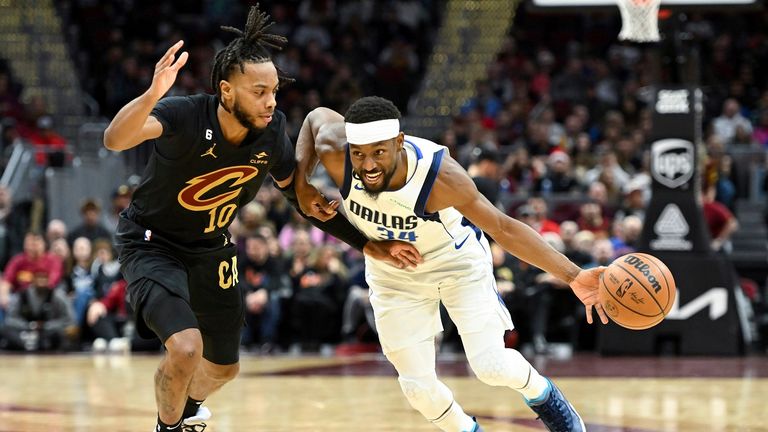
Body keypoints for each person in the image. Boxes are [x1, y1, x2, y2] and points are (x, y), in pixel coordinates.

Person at [102, 7, 419, 432]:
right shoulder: (184, 115)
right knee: (184, 349)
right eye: (259, 91)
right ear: (227, 92)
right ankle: (169, 427)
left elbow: (302, 198)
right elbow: (114, 139)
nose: (271, 101)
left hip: (211, 247)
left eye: (274, 90)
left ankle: (187, 408)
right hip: (152, 243)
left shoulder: (272, 133)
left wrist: (367, 244)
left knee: (223, 368)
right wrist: (153, 93)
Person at [294, 96, 609, 432]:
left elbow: (503, 228)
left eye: (379, 153)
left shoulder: (440, 176)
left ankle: (546, 397)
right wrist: (301, 183)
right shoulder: (334, 149)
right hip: (394, 274)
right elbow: (316, 117)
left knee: (491, 366)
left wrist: (573, 275)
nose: (368, 165)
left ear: (399, 143)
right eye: (359, 154)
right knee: (417, 389)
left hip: (456, 263)